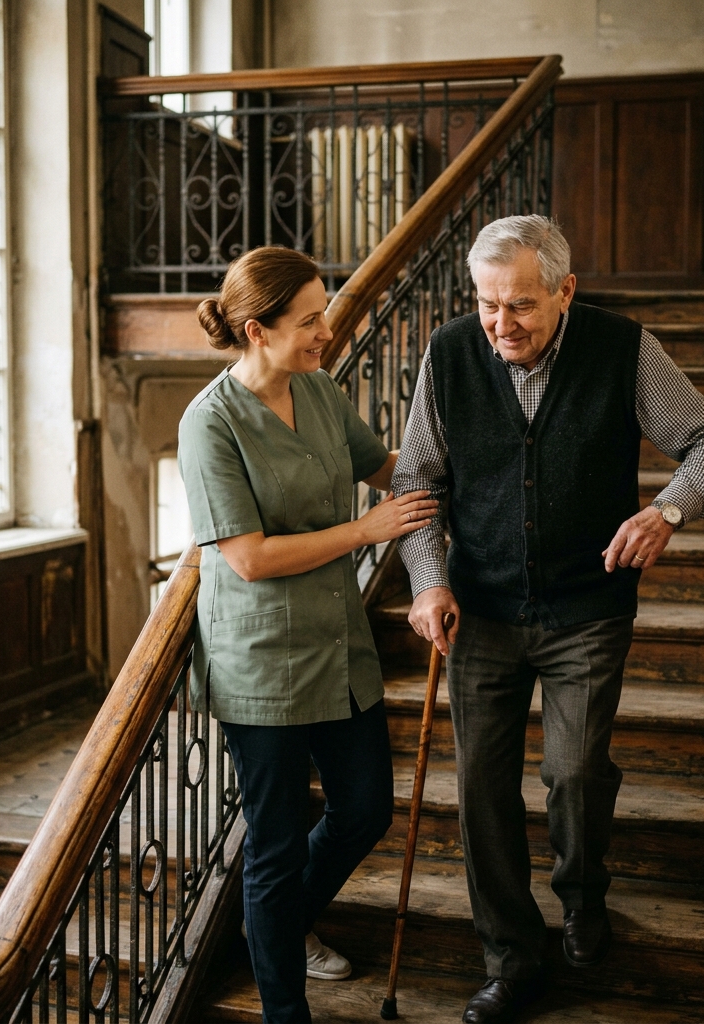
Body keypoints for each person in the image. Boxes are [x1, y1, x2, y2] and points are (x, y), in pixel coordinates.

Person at [393, 215, 704, 1024]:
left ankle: (584, 896)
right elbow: (416, 480)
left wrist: (668, 513)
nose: (500, 325)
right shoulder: (450, 355)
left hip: (587, 608)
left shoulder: (622, 348)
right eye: (486, 305)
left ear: (565, 290)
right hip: (477, 610)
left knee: (575, 774)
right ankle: (511, 958)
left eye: (519, 305)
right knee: (481, 789)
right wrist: (426, 582)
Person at [177, 246, 437, 1024]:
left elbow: (383, 466)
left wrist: (461, 468)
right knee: (276, 843)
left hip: (338, 647)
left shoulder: (318, 391)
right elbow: (248, 559)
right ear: (258, 330)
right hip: (259, 665)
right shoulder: (208, 423)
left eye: (323, 313)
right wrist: (365, 532)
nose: (327, 330)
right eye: (311, 319)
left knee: (365, 810)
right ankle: (284, 1008)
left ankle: (275, 927)